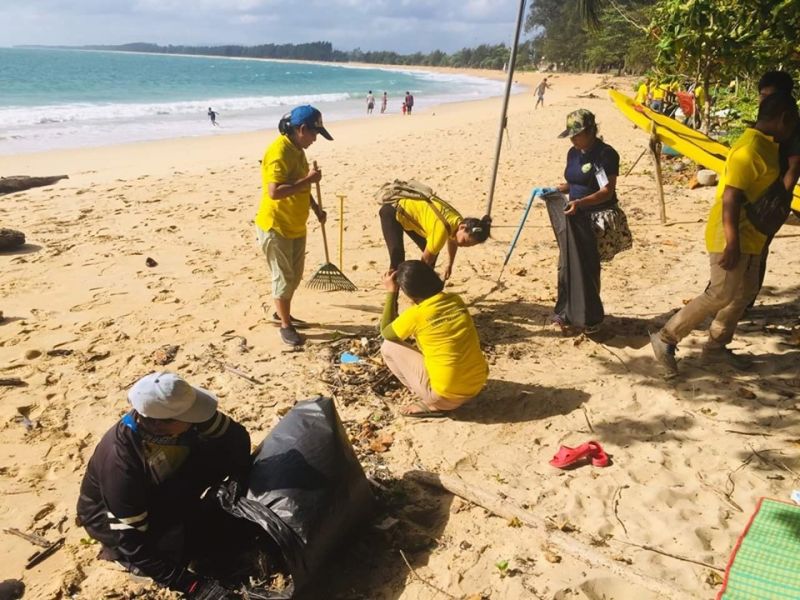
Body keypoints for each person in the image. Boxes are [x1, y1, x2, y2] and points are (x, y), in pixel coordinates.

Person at [651, 93, 799, 377]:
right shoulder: (749, 150)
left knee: (743, 293)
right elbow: (730, 197)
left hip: (752, 234)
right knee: (720, 293)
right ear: (783, 118)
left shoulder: (769, 146)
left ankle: (716, 349)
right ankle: (666, 338)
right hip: (730, 233)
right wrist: (732, 243)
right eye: (792, 123)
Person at [77, 372, 251, 598]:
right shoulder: (121, 464)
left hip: (167, 478)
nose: (196, 418)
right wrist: (195, 586)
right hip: (117, 516)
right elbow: (132, 543)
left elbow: (237, 440)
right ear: (159, 424)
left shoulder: (185, 419)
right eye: (189, 416)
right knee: (163, 547)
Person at [534, 109, 621, 334]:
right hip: (573, 216)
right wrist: (556, 190)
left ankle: (589, 317)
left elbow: (607, 191)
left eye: (577, 134)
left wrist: (581, 202)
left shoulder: (605, 155)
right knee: (566, 265)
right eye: (571, 136)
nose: (573, 139)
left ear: (591, 131)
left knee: (587, 268)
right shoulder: (573, 153)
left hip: (594, 218)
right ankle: (564, 312)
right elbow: (573, 182)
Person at [254, 105, 332, 347]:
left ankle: (281, 313)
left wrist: (315, 207)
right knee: (284, 278)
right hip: (276, 226)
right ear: (301, 130)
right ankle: (286, 326)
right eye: (314, 134)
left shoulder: (298, 149)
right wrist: (309, 179)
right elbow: (275, 191)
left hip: (296, 224)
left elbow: (299, 184)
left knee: (294, 277)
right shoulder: (278, 152)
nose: (315, 139)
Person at [380, 260, 488, 417]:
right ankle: (440, 394)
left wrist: (391, 292)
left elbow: (385, 332)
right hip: (476, 384)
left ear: (409, 293)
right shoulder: (455, 300)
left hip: (446, 396)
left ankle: (433, 404)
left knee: (388, 346)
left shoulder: (416, 314)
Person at [749, 71, 800, 306]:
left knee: (756, 250)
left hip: (770, 198)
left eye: (767, 95)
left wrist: (777, 202)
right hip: (757, 193)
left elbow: (793, 167)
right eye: (762, 95)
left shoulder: (791, 125)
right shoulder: (770, 117)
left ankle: (743, 300)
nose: (763, 100)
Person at [379, 192, 491, 281]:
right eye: (465, 241)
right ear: (462, 227)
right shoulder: (442, 230)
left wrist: (449, 265)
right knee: (398, 259)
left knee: (432, 253)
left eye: (469, 245)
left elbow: (453, 240)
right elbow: (424, 262)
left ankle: (426, 286)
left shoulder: (457, 221)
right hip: (393, 212)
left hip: (412, 217)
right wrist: (417, 281)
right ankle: (395, 300)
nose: (464, 245)